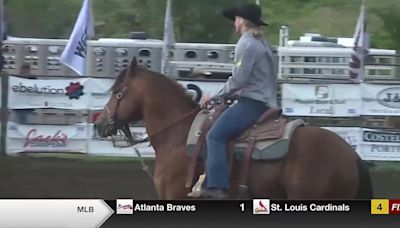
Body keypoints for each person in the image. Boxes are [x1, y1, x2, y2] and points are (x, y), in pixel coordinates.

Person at [199, 3, 278, 199]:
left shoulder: (246, 43)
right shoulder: (262, 43)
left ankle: (217, 187)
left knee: (214, 136)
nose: (234, 22)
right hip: (265, 102)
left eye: (236, 18)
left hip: (253, 103)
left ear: (242, 20)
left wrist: (216, 96)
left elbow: (239, 79)